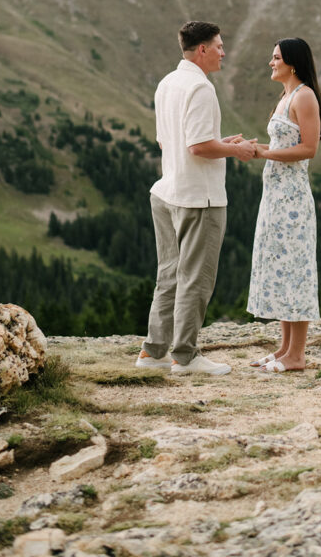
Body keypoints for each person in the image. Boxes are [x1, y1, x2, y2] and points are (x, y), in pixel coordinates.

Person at [137, 20, 256, 376]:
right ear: (202, 49)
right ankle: (185, 357)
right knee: (196, 279)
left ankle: (153, 352)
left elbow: (167, 140)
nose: (223, 52)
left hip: (167, 191)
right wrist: (239, 151)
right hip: (198, 198)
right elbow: (200, 146)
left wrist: (223, 143)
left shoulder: (167, 83)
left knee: (169, 275)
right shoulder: (201, 88)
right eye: (219, 46)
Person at [247, 37, 321, 372]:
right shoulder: (285, 97)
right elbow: (282, 143)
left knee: (296, 270)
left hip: (293, 197)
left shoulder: (304, 95)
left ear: (292, 62)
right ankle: (284, 348)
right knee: (280, 269)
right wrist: (254, 146)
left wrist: (264, 153)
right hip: (275, 197)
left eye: (276, 57)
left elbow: (309, 148)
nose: (271, 62)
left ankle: (298, 355)